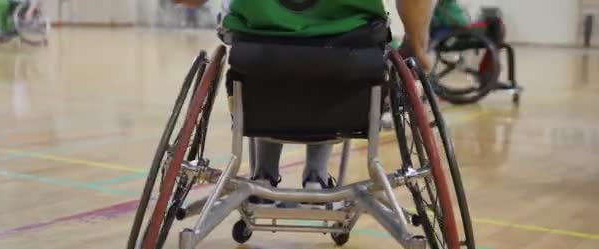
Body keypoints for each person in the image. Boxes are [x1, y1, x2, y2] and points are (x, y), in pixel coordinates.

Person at [175, 0, 437, 194]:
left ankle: (264, 173)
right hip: (348, 60)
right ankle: (316, 175)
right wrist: (416, 43)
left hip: (259, 59)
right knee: (333, 57)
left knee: (268, 52)